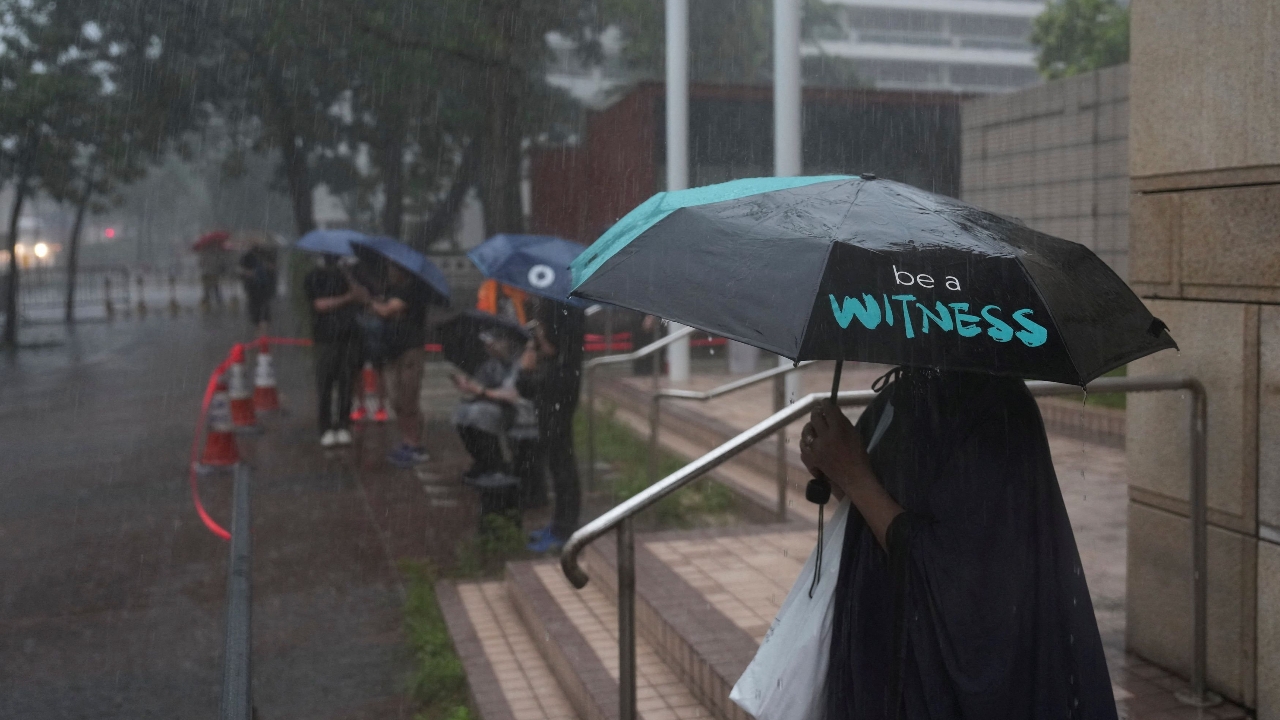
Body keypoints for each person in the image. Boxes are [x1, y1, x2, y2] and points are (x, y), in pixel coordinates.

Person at [799, 368, 1117, 720]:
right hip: (879, 655)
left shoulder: (995, 411)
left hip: (938, 678)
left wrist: (854, 476)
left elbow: (960, 573)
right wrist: (835, 469)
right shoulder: (902, 395)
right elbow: (874, 512)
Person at [523, 297, 586, 553]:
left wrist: (537, 336)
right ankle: (560, 523)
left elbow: (553, 347)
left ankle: (564, 527)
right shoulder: (559, 302)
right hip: (557, 386)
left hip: (558, 388)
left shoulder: (561, 304)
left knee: (561, 460)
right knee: (557, 459)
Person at [371, 263, 433, 468]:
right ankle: (407, 440)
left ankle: (415, 444)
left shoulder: (414, 288)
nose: (390, 271)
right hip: (391, 350)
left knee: (409, 399)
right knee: (396, 399)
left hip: (410, 350)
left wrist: (367, 301)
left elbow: (387, 310)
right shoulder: (390, 289)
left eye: (393, 268)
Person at [450, 332, 534, 478]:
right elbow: (480, 387)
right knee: (463, 412)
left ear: (507, 342)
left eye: (495, 342)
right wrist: (467, 385)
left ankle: (496, 465)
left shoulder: (520, 362)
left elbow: (511, 396)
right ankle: (483, 462)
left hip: (522, 411)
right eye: (488, 344)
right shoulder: (491, 364)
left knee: (480, 413)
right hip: (502, 407)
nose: (490, 347)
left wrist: (480, 390)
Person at [303, 254, 366, 448]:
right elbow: (320, 305)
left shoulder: (349, 275)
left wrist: (348, 276)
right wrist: (347, 298)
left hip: (349, 337)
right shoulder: (314, 277)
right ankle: (325, 427)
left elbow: (363, 296)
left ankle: (344, 425)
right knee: (325, 385)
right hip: (326, 338)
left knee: (346, 383)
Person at [238, 245, 276, 337]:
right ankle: (261, 330)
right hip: (254, 288)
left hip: (263, 288)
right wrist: (247, 273)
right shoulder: (248, 256)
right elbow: (240, 270)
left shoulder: (267, 254)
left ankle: (262, 332)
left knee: (262, 309)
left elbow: (273, 269)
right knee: (258, 310)